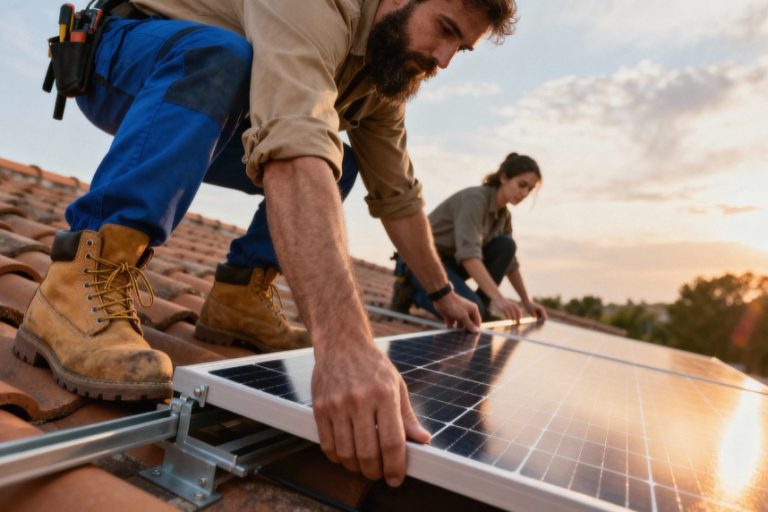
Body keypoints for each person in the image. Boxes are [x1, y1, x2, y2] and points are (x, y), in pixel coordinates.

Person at [15, 0, 518, 488]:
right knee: (226, 58)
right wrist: (343, 346)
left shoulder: (381, 78)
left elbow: (399, 198)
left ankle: (239, 298)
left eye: (462, 48)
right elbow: (294, 145)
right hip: (122, 54)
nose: (444, 59)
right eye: (446, 28)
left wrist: (439, 292)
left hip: (210, 97)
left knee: (339, 159)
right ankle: (79, 278)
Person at [391, 152, 548, 322]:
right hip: (421, 264)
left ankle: (482, 306)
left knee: (506, 245)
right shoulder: (474, 199)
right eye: (522, 184)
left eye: (530, 189)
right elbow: (469, 256)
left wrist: (527, 302)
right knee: (471, 314)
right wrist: (500, 300)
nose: (525, 193)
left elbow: (511, 264)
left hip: (451, 265)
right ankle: (410, 293)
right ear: (504, 178)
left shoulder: (504, 216)